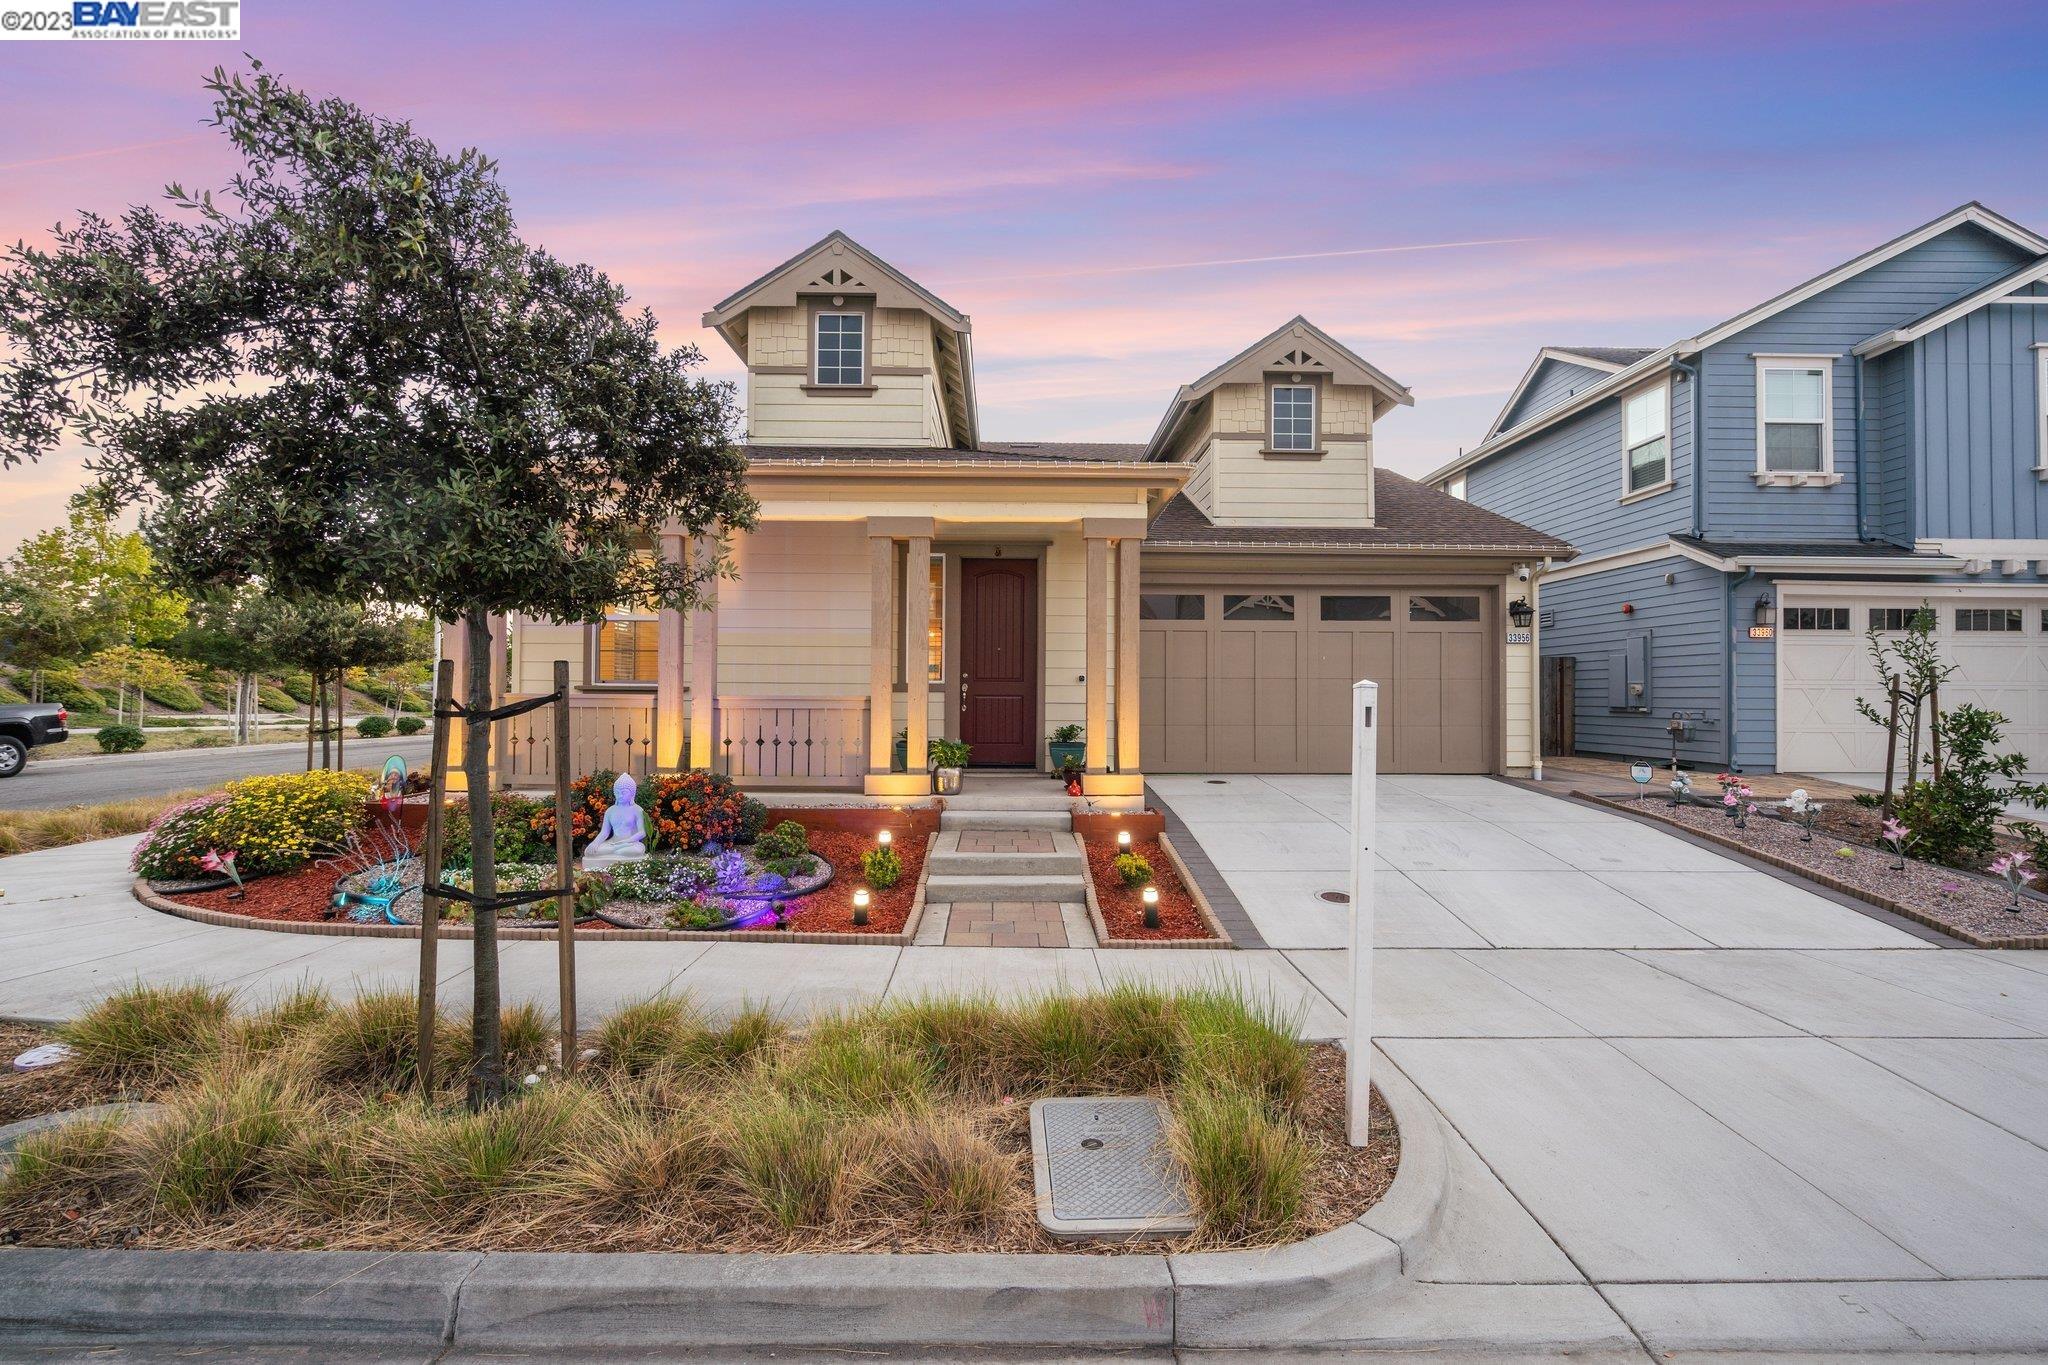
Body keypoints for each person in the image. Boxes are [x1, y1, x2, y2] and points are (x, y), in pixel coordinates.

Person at [580, 772, 648, 869]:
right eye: (617, 792)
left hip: (631, 844)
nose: (620, 795)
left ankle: (616, 851)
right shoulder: (610, 811)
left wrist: (627, 841)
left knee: (638, 850)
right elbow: (604, 832)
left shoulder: (637, 810)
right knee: (589, 852)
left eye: (624, 792)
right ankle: (616, 850)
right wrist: (595, 843)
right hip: (613, 843)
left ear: (632, 793)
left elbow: (642, 832)